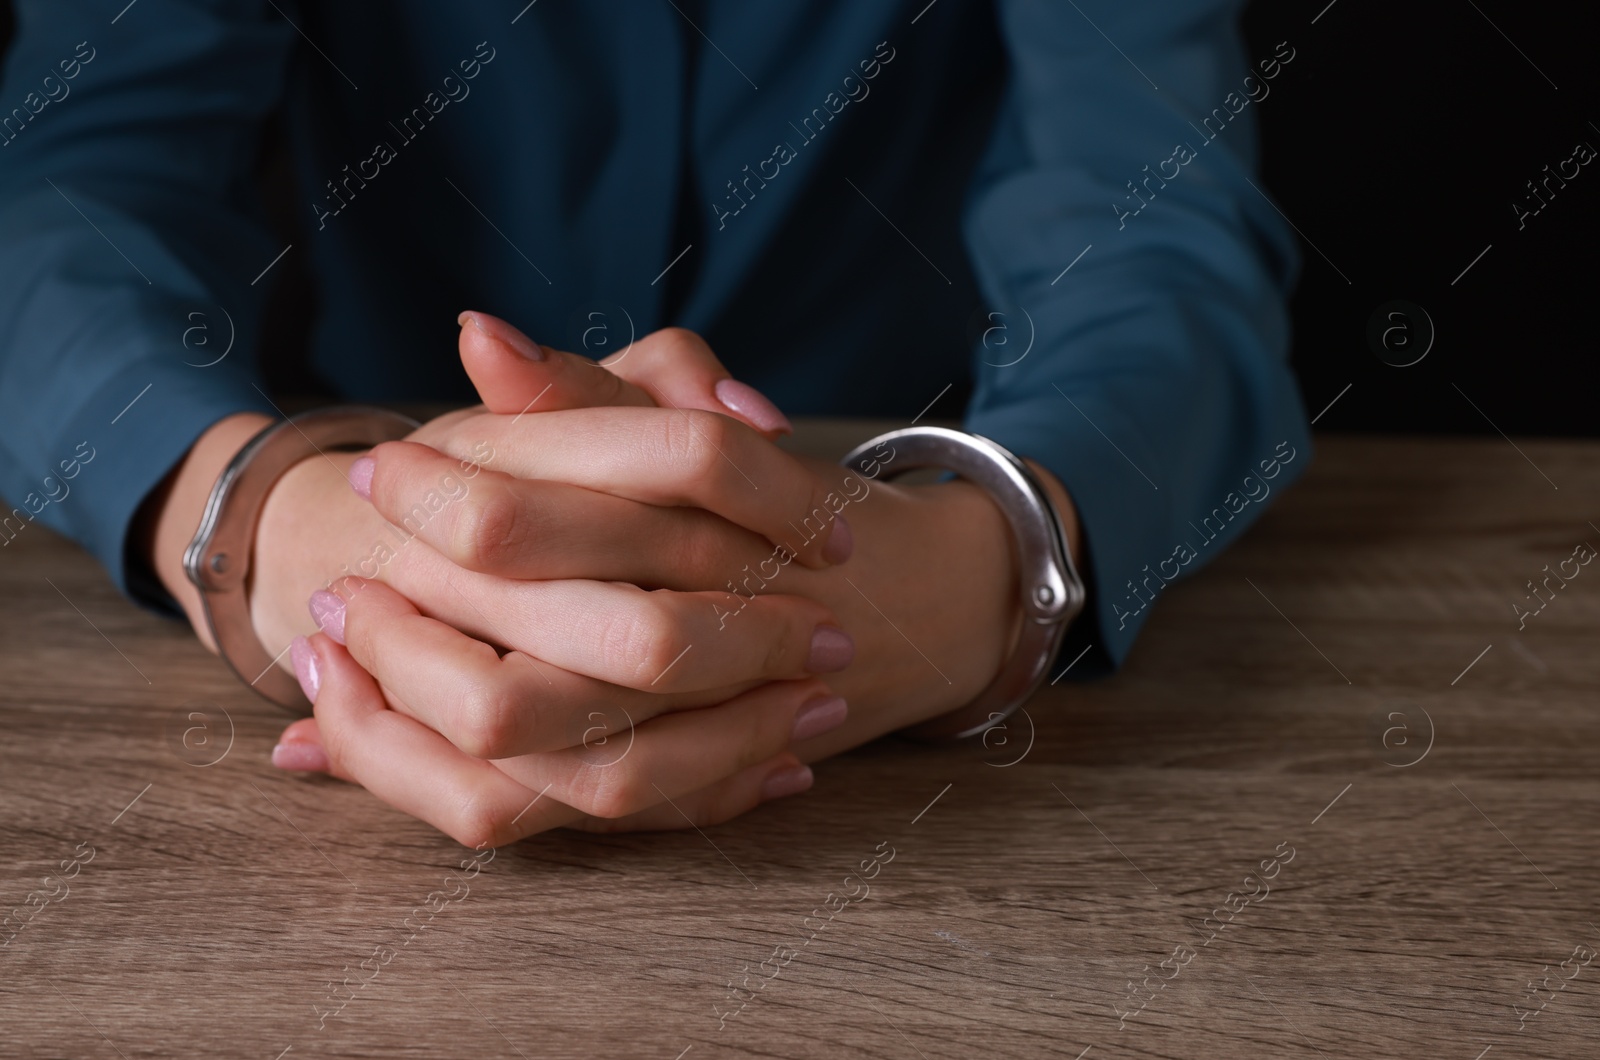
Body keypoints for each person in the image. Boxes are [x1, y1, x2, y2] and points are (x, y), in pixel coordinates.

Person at [0, 1, 1309, 845]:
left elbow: (1165, 232)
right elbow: (69, 189)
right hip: (395, 561)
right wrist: (265, 523)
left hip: (878, 565)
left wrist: (992, 566)